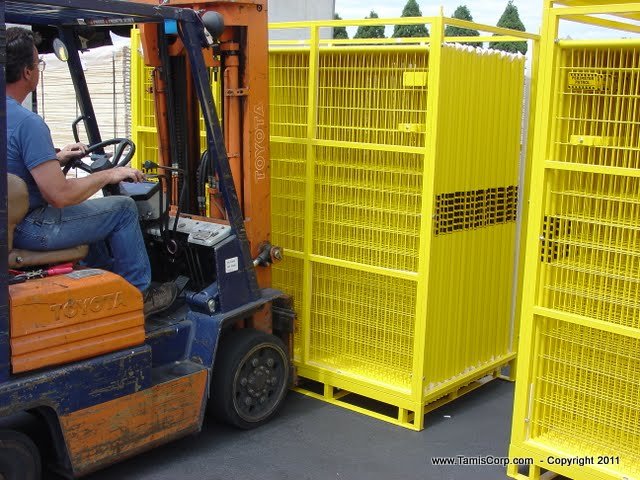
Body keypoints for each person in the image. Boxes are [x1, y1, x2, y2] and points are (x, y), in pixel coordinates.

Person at [6, 27, 176, 316]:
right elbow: (59, 195)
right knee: (121, 209)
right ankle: (138, 296)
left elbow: (16, 165)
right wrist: (110, 174)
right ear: (26, 72)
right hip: (32, 227)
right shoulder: (28, 123)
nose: (39, 69)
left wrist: (56, 158)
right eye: (39, 63)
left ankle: (106, 283)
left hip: (12, 223)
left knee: (94, 213)